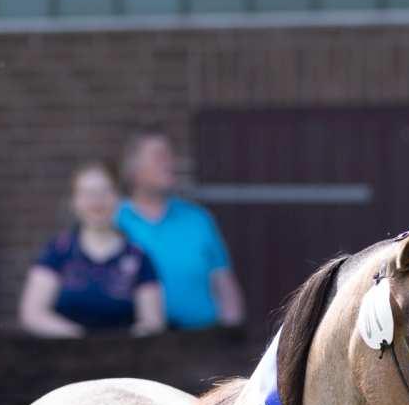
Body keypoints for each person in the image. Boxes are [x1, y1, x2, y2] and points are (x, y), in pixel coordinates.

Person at [117, 128, 244, 329]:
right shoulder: (115, 220)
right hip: (137, 338)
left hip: (202, 337)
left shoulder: (198, 219)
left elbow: (223, 281)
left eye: (170, 156)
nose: (169, 163)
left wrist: (232, 330)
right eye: (159, 157)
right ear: (133, 168)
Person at [19, 160, 164, 337]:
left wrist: (118, 344)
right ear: (74, 202)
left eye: (105, 191)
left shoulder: (138, 257)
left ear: (119, 198)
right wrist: (82, 339)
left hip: (124, 352)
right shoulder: (58, 251)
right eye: (88, 193)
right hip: (66, 351)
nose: (97, 201)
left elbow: (152, 323)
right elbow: (33, 313)